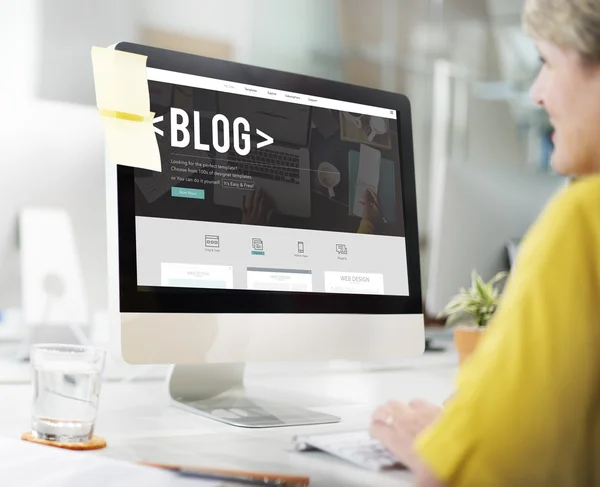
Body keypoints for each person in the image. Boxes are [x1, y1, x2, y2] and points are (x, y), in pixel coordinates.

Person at [369, 0, 600, 485]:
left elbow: (486, 469)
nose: (537, 93)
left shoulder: (583, 218)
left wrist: (442, 445)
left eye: (546, 62)